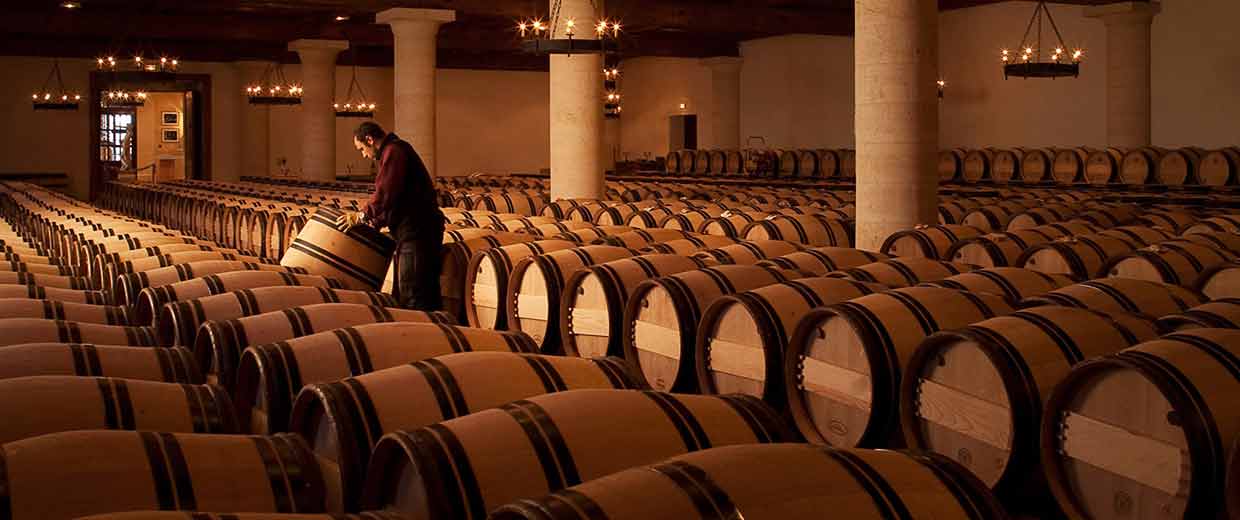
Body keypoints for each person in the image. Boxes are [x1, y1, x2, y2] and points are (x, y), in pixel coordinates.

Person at [335, 122, 445, 311]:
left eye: (362, 149)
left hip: (418, 231)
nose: (364, 155)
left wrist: (361, 216)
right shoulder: (394, 151)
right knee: (420, 290)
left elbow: (386, 192)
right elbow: (395, 200)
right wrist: (375, 223)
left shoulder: (394, 151)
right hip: (414, 231)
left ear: (370, 139)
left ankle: (423, 335)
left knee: (414, 293)